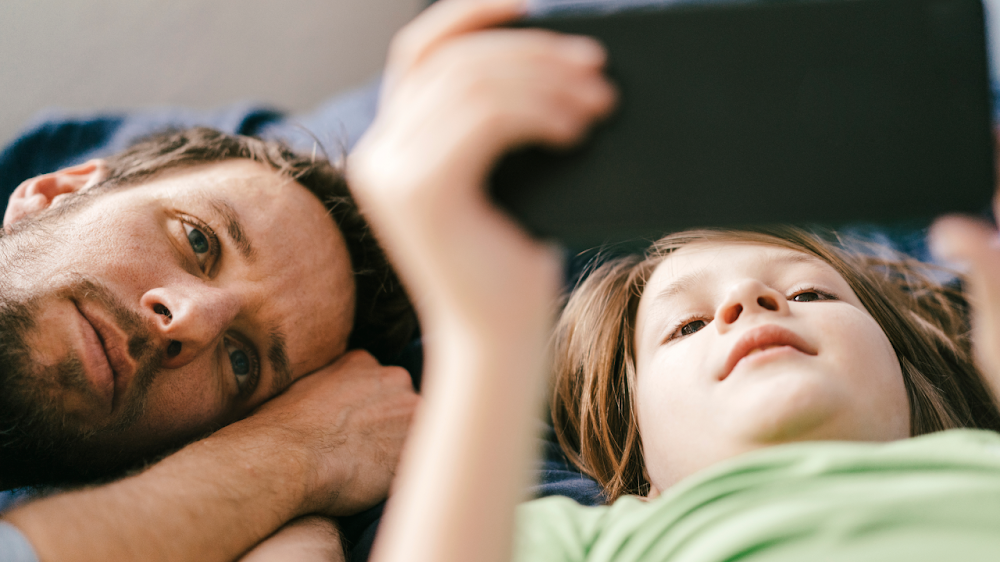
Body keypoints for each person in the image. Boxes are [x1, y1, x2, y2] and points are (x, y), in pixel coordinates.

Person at [339, 0, 1000, 560]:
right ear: (642, 471)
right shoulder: (585, 537)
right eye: (685, 327)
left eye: (809, 294)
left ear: (915, 383)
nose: (750, 301)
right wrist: (485, 337)